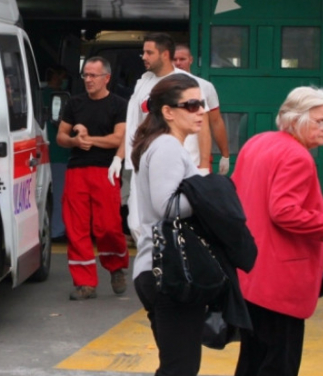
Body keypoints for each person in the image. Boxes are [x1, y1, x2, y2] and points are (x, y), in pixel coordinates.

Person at [230, 86, 323, 376]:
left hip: (250, 272)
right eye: (320, 121)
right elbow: (284, 212)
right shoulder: (297, 156)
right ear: (295, 119)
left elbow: (235, 195)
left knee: (252, 359)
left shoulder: (257, 142)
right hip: (280, 279)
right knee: (279, 362)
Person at [129, 73, 207, 376]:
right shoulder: (167, 147)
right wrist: (209, 194)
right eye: (192, 105)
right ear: (168, 112)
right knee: (180, 368)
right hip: (169, 272)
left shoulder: (161, 145)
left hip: (160, 269)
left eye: (201, 103)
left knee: (177, 365)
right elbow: (167, 206)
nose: (201, 111)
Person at [112, 33, 211, 243]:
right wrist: (119, 157)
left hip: (179, 162)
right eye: (144, 52)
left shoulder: (186, 83)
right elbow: (134, 125)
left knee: (173, 222)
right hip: (143, 163)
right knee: (137, 224)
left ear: (165, 54)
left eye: (149, 52)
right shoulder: (143, 82)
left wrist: (203, 165)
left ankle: (169, 261)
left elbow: (203, 124)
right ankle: (154, 262)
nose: (144, 57)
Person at [57, 56, 129, 300]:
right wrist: (74, 141)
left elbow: (119, 138)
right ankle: (84, 283)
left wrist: (89, 140)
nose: (88, 80)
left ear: (106, 78)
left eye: (93, 75)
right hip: (76, 170)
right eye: (85, 75)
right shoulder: (74, 104)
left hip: (105, 171)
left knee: (108, 226)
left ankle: (116, 266)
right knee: (75, 227)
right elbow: (61, 136)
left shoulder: (119, 105)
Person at [173, 45, 231, 175]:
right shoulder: (158, 86)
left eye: (182, 59)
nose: (178, 63)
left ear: (191, 60)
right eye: (174, 59)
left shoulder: (205, 86)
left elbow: (216, 121)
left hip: (198, 160)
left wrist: (225, 155)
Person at [41, 65, 71, 240]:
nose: (64, 80)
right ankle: (57, 230)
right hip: (58, 153)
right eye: (62, 76)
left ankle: (53, 229)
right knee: (60, 194)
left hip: (44, 153)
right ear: (55, 76)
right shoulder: (59, 98)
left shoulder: (38, 95)